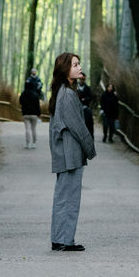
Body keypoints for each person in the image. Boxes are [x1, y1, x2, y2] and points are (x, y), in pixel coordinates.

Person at [48, 52, 96, 252]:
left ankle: (60, 238)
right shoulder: (67, 94)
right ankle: (65, 240)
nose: (79, 68)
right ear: (65, 69)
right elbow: (78, 126)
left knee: (63, 196)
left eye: (79, 64)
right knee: (69, 197)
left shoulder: (62, 91)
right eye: (75, 64)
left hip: (65, 152)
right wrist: (90, 148)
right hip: (70, 153)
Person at [19, 79, 41, 148]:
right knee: (33, 129)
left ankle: (28, 144)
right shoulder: (35, 95)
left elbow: (20, 102)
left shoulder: (23, 94)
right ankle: (34, 143)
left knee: (27, 129)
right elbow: (38, 106)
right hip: (34, 115)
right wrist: (38, 114)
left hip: (26, 114)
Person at [76, 72, 94, 138]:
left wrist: (85, 99)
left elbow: (91, 97)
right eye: (80, 79)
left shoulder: (87, 88)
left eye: (83, 79)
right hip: (76, 107)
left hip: (85, 107)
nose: (82, 80)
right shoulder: (75, 87)